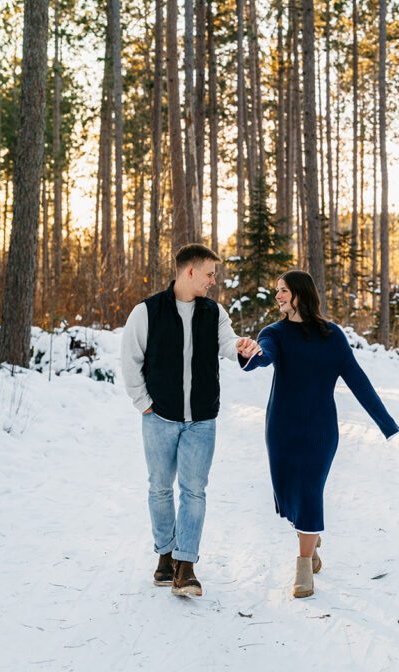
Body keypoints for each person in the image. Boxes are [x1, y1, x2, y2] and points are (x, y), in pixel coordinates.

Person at [238, 269, 399, 599]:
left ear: (301, 293)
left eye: (284, 291)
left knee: (310, 493)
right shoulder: (275, 332)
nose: (278, 296)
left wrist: (387, 424)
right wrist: (250, 353)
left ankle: (302, 570)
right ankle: (310, 543)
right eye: (277, 291)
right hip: (281, 429)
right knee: (289, 495)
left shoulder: (332, 336)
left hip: (320, 430)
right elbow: (264, 356)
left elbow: (358, 381)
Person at [121, 243, 255, 597]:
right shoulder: (146, 311)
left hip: (202, 420)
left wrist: (240, 347)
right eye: (210, 274)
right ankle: (165, 557)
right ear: (190, 272)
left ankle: (186, 566)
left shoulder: (214, 312)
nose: (214, 281)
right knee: (160, 489)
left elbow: (227, 344)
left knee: (194, 491)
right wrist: (144, 404)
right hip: (159, 418)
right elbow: (130, 360)